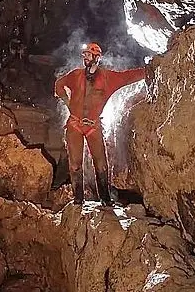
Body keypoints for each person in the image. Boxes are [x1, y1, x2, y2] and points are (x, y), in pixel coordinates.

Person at [54, 42, 147, 206]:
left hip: (93, 126)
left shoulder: (108, 78)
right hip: (75, 125)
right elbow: (59, 85)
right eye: (84, 55)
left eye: (88, 55)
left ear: (97, 57)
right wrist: (67, 102)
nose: (85, 58)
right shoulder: (75, 75)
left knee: (101, 164)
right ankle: (78, 199)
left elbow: (127, 76)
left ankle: (105, 199)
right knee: (75, 164)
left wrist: (148, 70)